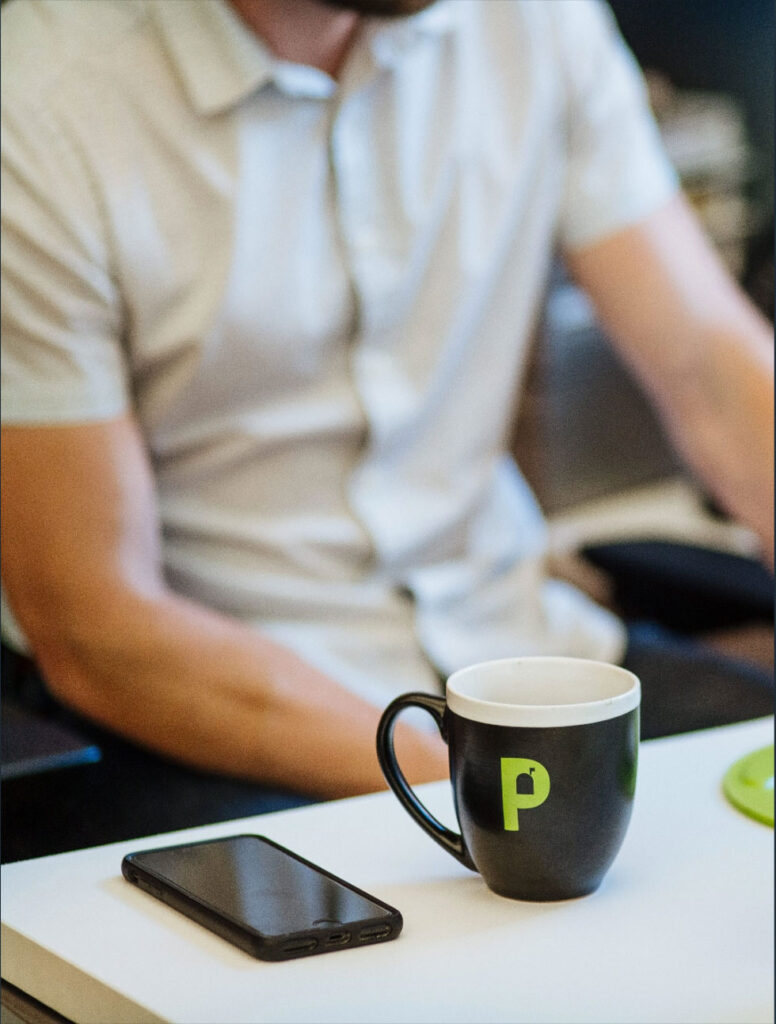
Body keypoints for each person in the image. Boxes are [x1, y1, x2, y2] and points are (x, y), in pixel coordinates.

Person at [1, 0, 772, 855]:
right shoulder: (38, 105)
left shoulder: (534, 19)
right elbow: (93, 627)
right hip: (206, 713)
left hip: (513, 643)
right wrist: (472, 786)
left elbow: (710, 366)